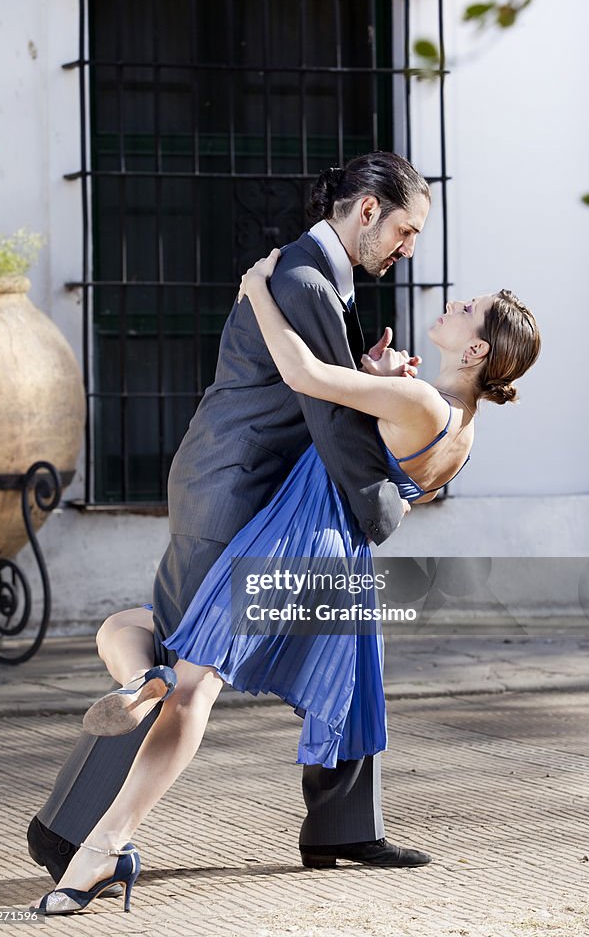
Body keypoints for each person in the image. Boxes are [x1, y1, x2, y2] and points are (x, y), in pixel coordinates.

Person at [33, 247, 540, 915]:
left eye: (466, 309)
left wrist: (256, 292)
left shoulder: (416, 396)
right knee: (132, 629)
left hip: (295, 544)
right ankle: (144, 689)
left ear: (475, 351)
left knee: (193, 686)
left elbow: (303, 374)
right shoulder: (459, 426)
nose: (453, 304)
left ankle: (106, 846)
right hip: (337, 558)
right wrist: (376, 379)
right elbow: (369, 457)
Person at [28, 152, 434, 909]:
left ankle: (342, 826)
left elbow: (325, 389)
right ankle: (69, 830)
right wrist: (381, 505)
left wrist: (372, 373)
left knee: (344, 640)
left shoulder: (315, 277)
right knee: (180, 671)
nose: (408, 247)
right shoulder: (305, 279)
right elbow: (331, 415)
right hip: (230, 494)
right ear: (368, 209)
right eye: (405, 230)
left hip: (265, 495)